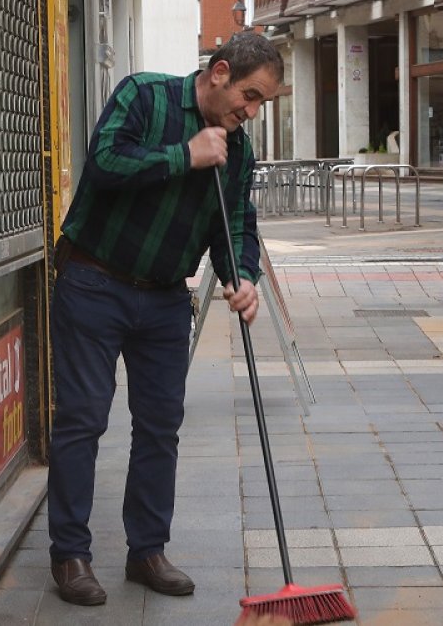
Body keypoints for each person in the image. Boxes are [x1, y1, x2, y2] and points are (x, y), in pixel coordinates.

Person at [47, 32, 282, 607]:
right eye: (248, 96)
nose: (249, 112)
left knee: (160, 425)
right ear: (220, 72)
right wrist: (186, 155)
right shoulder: (145, 97)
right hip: (93, 281)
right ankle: (70, 554)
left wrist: (242, 276)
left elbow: (235, 224)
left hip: (164, 299)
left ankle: (146, 550)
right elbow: (104, 163)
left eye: (260, 105)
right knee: (83, 419)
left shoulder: (239, 148)